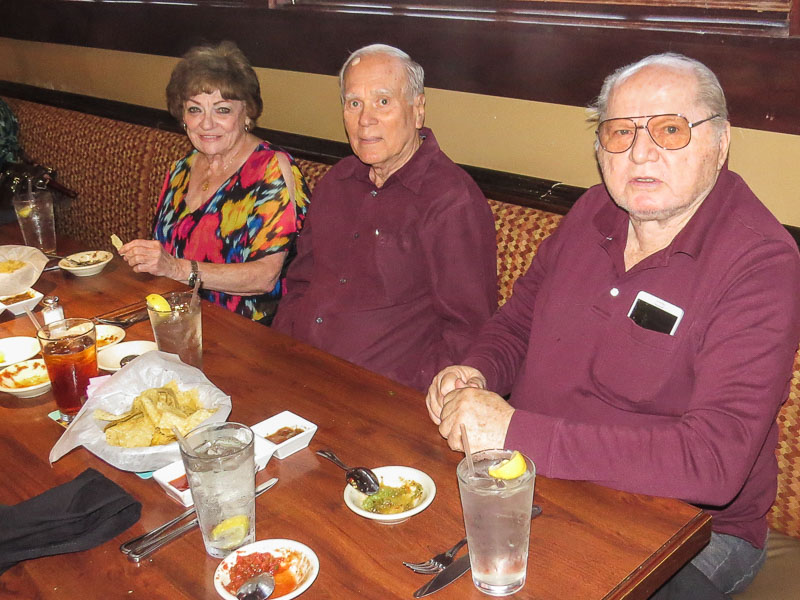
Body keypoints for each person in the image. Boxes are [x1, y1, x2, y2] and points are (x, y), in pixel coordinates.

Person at [426, 53, 800, 598]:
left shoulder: (759, 262)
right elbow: (518, 322)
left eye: (670, 130)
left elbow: (714, 462)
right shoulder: (592, 214)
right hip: (540, 487)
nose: (640, 151)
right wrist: (475, 371)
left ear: (720, 143)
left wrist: (516, 434)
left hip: (690, 533)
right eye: (619, 132)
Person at [272, 44, 496, 391]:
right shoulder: (336, 182)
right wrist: (283, 353)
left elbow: (468, 332)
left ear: (417, 110)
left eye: (383, 101)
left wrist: (408, 402)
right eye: (354, 103)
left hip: (381, 400)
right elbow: (300, 283)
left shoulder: (451, 201)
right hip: (297, 372)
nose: (366, 120)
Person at [119, 41, 310, 324]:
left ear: (246, 114)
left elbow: (264, 277)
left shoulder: (271, 168)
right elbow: (164, 252)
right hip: (179, 319)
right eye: (195, 110)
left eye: (222, 110)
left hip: (249, 335)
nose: (206, 124)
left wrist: (175, 268)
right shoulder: (181, 170)